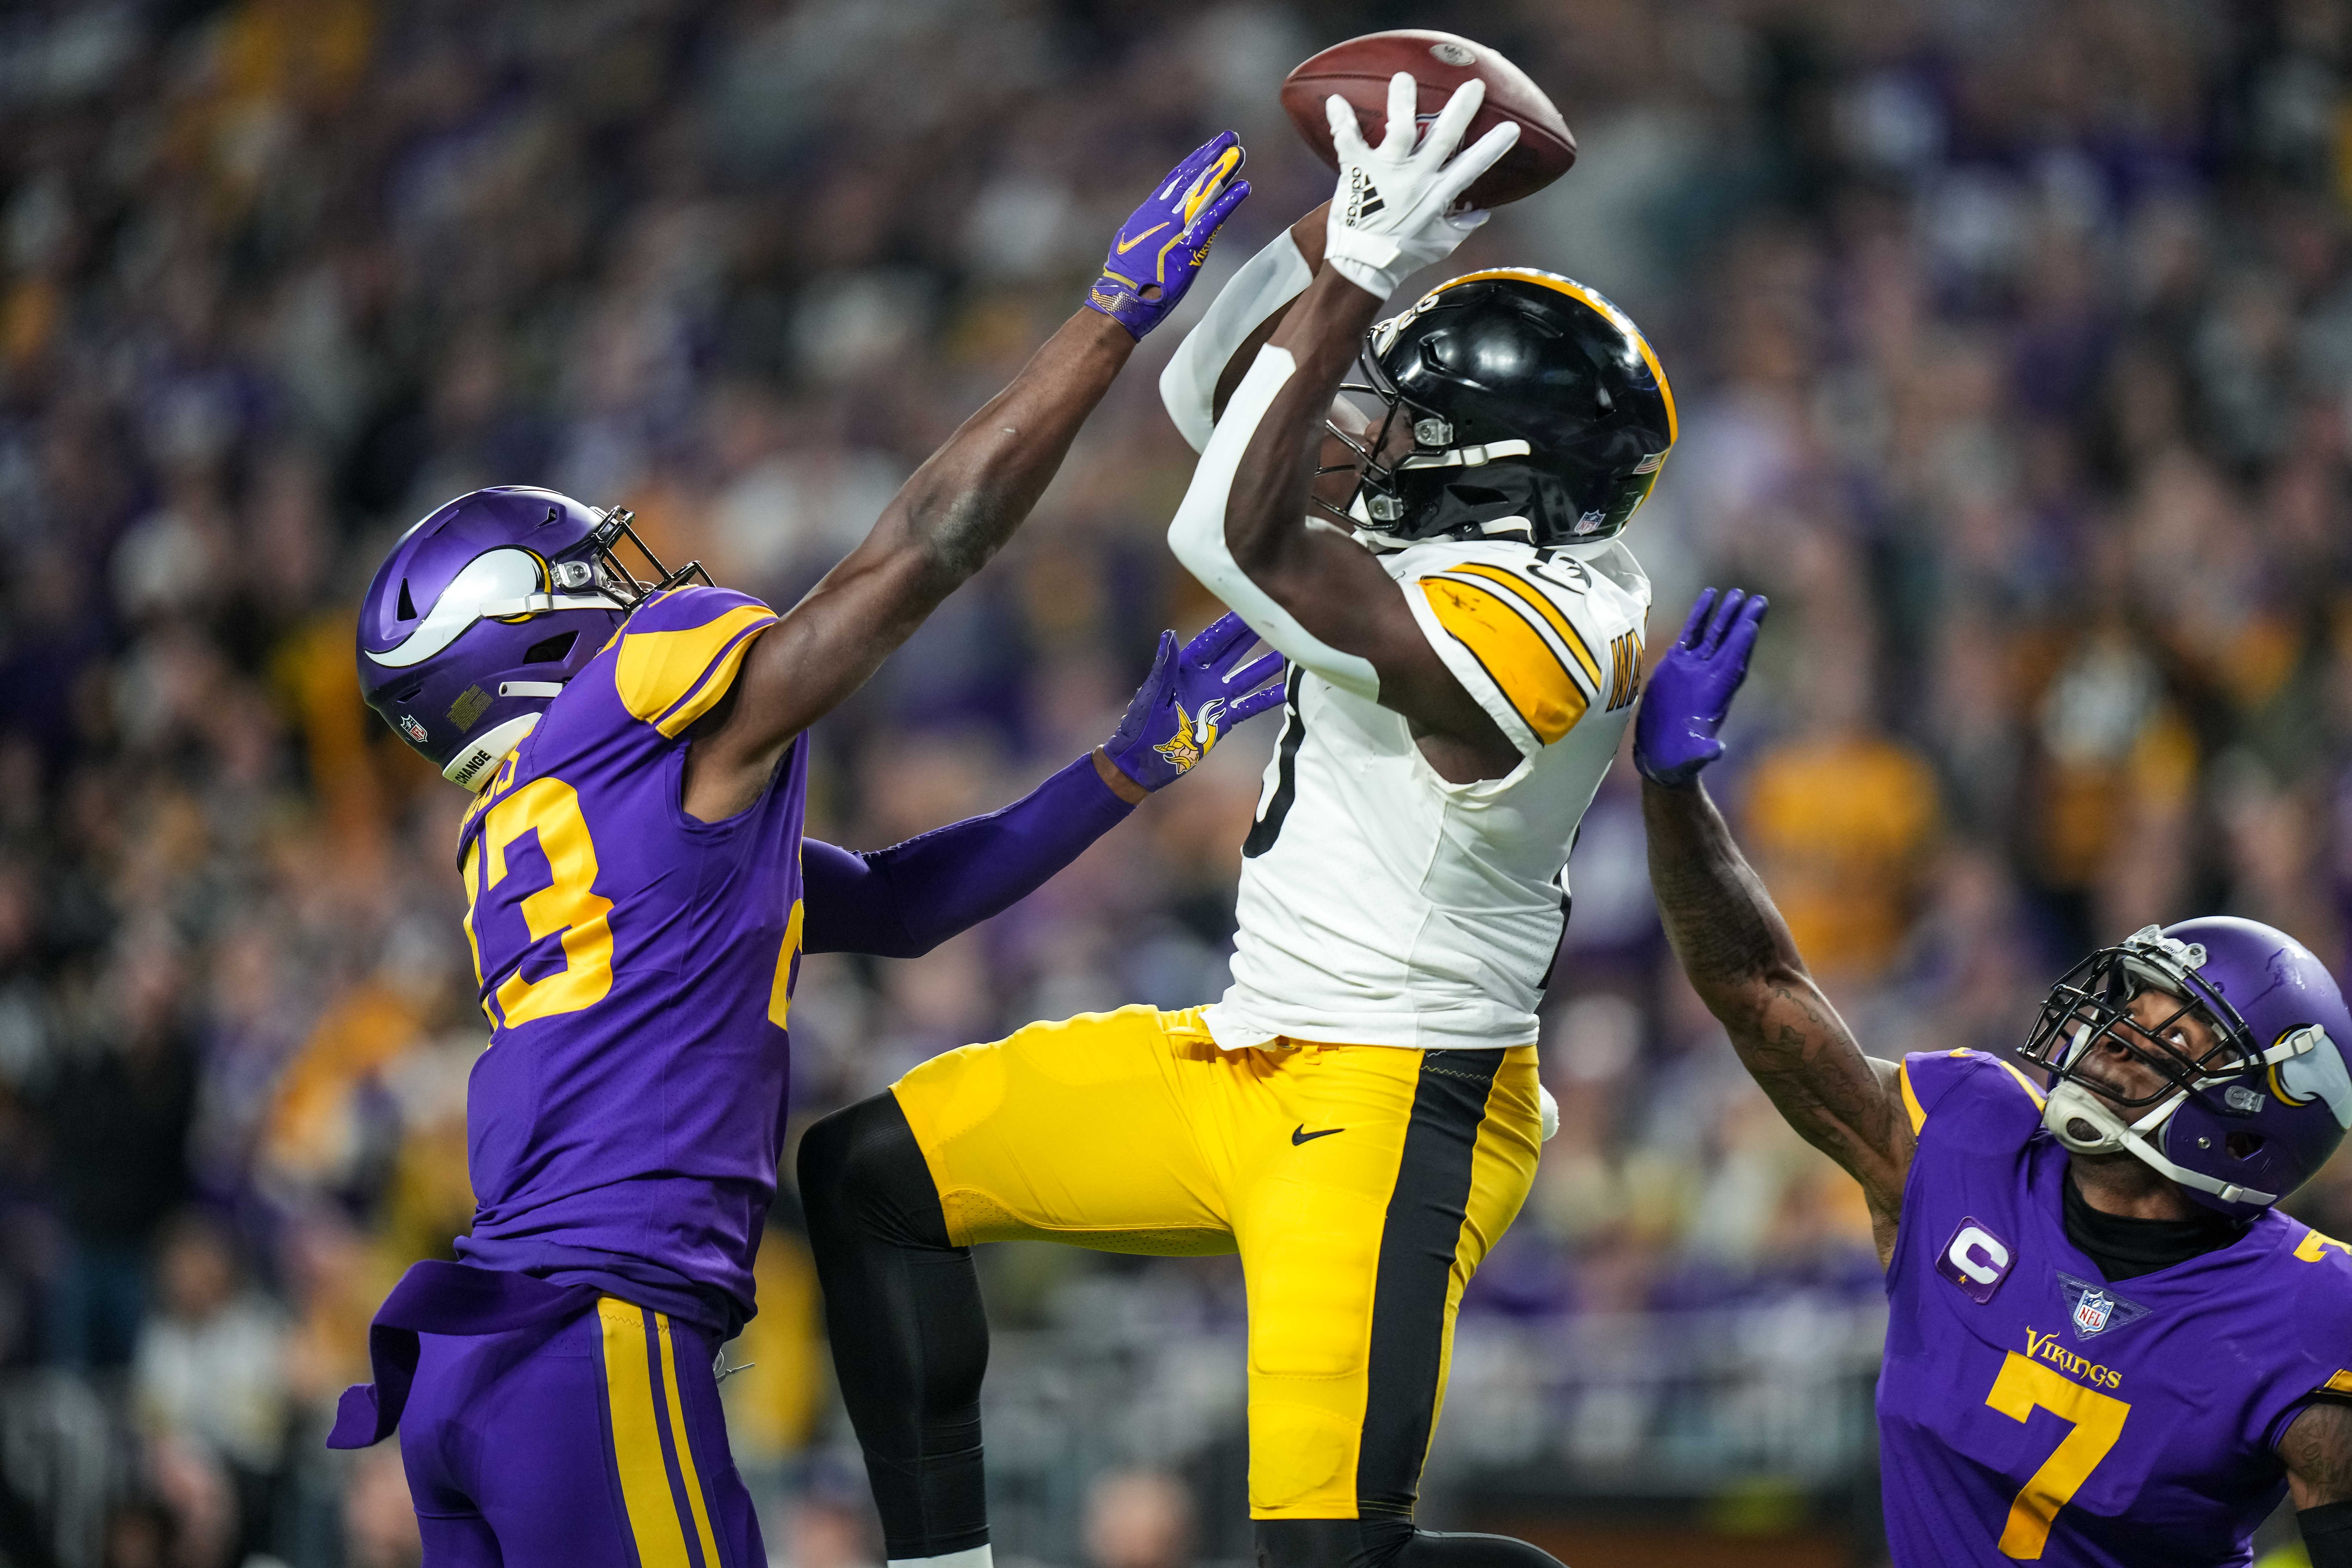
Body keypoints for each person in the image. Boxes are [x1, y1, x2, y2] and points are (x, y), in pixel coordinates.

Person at [322, 136, 1273, 1568]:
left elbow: (893, 907)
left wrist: (1121, 771)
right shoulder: (634, 718)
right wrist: (1110, 320)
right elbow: (923, 548)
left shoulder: (533, 831)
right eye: (589, 576)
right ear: (522, 637)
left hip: (479, 1366)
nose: (640, 582)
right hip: (592, 1341)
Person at [797, 76, 1671, 1568]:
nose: (1365, 431)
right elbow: (1213, 407)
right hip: (1241, 1059)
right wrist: (1349, 224)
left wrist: (1362, 275)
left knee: (1331, 1564)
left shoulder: (1561, 628)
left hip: (1398, 1109)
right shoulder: (1459, 542)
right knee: (871, 1176)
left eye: (1404, 418)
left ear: (1493, 470)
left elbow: (1221, 524)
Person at [1633, 587, 2352, 1567]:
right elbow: (1761, 990)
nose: (2110, 1040)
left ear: (2251, 1121)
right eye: (2124, 1009)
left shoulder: (2313, 1311)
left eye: (2167, 1038)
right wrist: (1674, 798)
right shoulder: (1968, 1135)